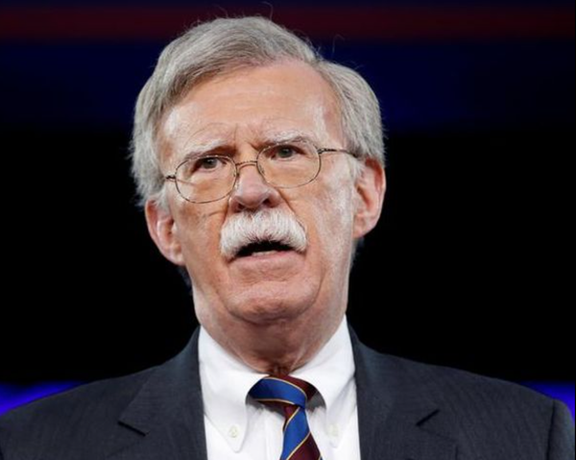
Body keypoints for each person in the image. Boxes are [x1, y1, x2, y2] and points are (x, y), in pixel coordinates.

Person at [0, 16, 573, 460]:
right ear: (166, 227)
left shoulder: (527, 436)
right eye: (209, 163)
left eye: (286, 151)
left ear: (364, 195)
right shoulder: (30, 446)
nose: (251, 191)